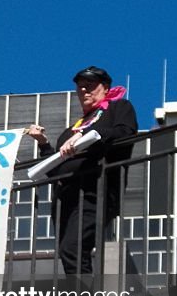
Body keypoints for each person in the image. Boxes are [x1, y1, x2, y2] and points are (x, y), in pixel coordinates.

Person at [24, 66, 138, 277]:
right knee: (69, 253)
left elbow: (124, 132)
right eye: (80, 88)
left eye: (90, 86)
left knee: (73, 249)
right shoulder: (72, 129)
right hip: (67, 200)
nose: (84, 91)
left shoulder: (118, 107)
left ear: (105, 88)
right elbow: (56, 168)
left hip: (96, 192)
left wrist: (88, 135)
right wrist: (43, 143)